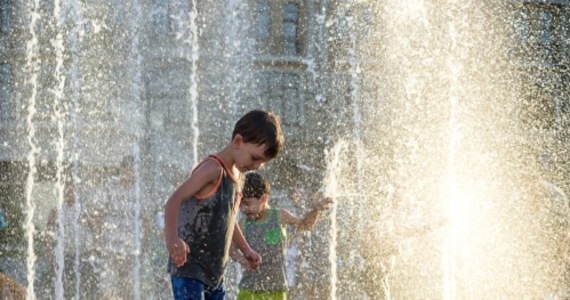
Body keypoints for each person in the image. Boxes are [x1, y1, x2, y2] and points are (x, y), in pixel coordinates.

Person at [164, 109, 285, 300]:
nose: (256, 167)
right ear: (238, 142)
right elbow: (174, 200)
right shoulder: (214, 169)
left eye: (262, 163)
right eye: (255, 158)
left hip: (215, 272)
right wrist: (172, 240)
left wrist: (246, 250)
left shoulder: (238, 180)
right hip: (190, 266)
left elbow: (228, 220)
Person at [233, 171, 333, 300]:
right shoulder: (243, 224)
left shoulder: (279, 216)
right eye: (240, 204)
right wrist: (241, 259)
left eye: (247, 203)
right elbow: (230, 247)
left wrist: (316, 210)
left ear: (263, 199)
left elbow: (303, 225)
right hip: (248, 291)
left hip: (276, 290)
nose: (243, 209)